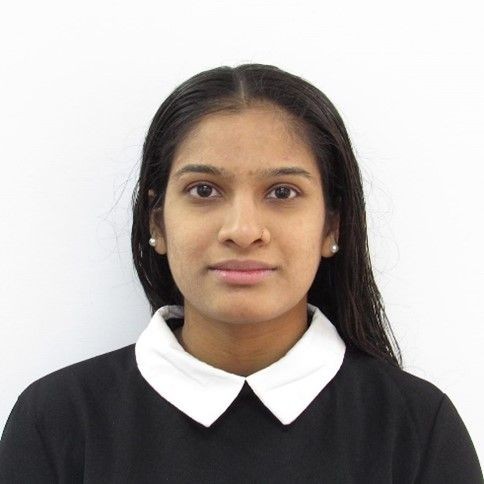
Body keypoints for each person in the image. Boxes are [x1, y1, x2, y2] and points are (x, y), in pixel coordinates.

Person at [0, 63, 482, 483]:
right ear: (157, 223)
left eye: (282, 192)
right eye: (204, 190)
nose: (243, 230)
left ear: (331, 226)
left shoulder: (417, 429)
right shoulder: (57, 421)